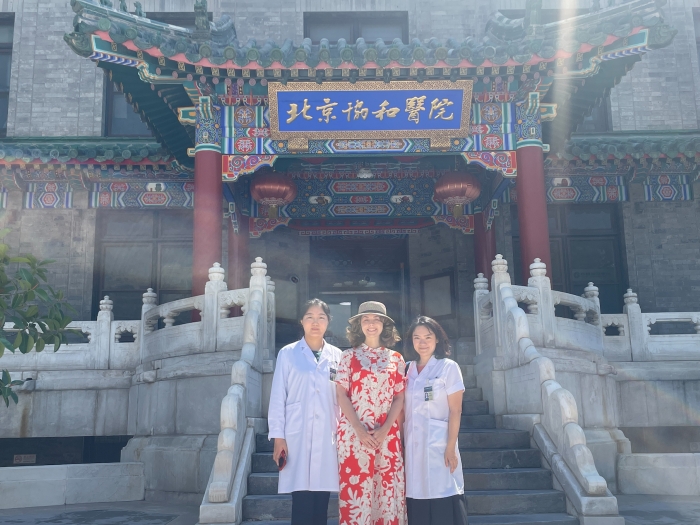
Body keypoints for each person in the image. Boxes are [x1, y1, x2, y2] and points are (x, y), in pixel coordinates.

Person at [268, 299, 343, 525]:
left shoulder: (338, 356)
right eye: (310, 317)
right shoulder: (288, 354)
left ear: (328, 322)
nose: (315, 322)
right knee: (300, 501)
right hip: (296, 436)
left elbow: (343, 400)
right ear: (301, 321)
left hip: (328, 436)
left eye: (321, 317)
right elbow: (278, 397)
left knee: (322, 502)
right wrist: (278, 438)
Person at [335, 301, 407, 525]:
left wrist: (385, 429)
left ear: (384, 324)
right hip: (354, 436)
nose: (371, 324)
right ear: (359, 325)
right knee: (357, 494)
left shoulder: (396, 358)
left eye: (376, 319)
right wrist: (359, 429)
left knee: (387, 493)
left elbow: (399, 397)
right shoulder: (348, 357)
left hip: (387, 436)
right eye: (366, 319)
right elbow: (341, 395)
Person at [403, 316, 468, 525]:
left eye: (428, 337)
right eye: (417, 338)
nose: (422, 342)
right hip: (413, 445)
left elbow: (455, 410)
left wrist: (450, 447)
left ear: (437, 339)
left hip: (440, 445)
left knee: (444, 492)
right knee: (417, 494)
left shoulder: (448, 367)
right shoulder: (405, 369)